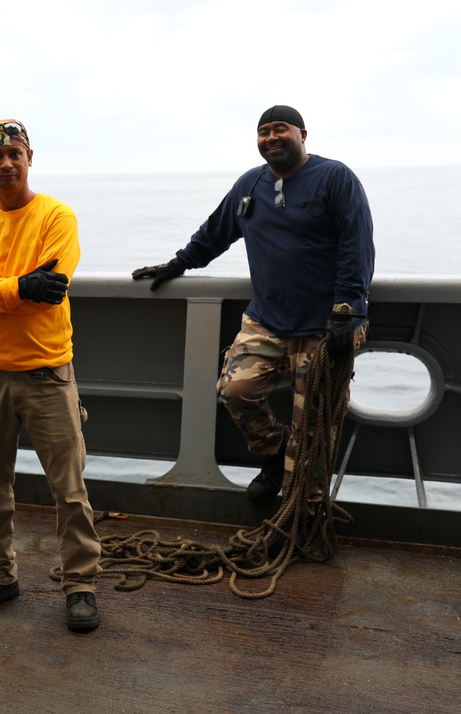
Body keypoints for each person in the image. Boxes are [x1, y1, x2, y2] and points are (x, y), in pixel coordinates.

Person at [133, 105, 374, 503]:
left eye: (281, 129)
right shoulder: (251, 184)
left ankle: (305, 517)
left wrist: (346, 311)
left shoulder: (335, 177)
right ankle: (275, 454)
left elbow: (357, 244)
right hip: (268, 319)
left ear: (302, 135)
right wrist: (178, 263)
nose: (271, 138)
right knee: (235, 391)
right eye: (264, 132)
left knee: (313, 425)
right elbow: (215, 233)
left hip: (325, 323)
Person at [0, 119, 102, 632]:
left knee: (69, 487)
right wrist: (20, 288)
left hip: (46, 373)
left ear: (30, 157)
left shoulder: (57, 215)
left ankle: (80, 584)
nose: (6, 163)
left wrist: (0, 288)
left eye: (14, 153)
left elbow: (52, 287)